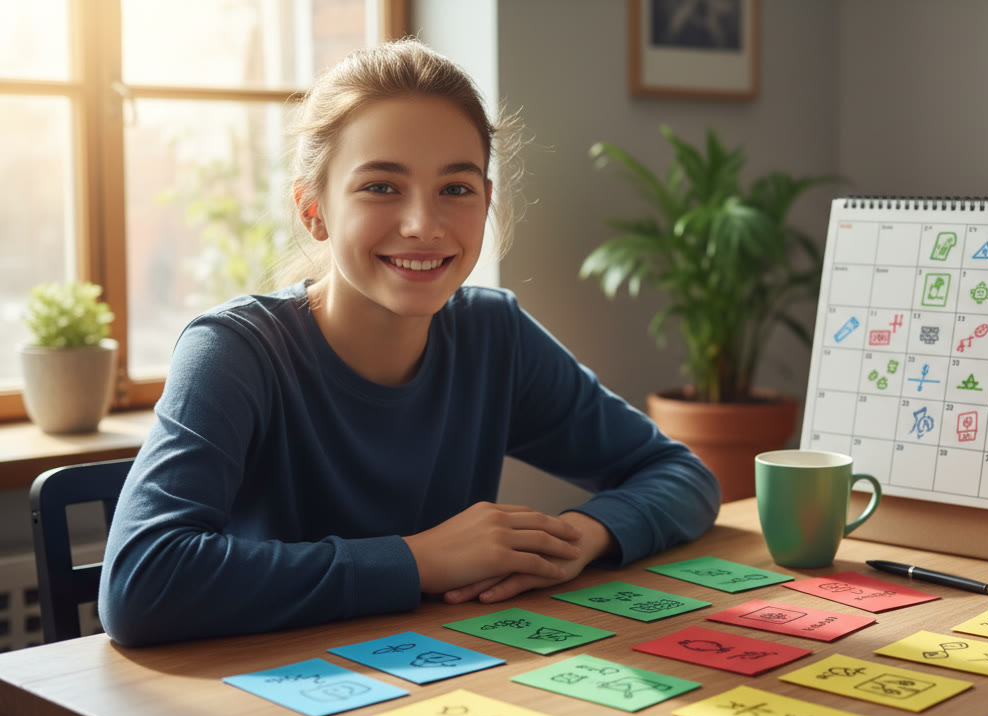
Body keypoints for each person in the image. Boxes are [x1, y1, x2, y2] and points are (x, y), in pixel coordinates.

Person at [98, 39, 720, 647]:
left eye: (456, 189)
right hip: (267, 710)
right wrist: (418, 561)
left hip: (444, 687)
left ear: (485, 203)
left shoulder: (492, 334)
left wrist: (580, 537)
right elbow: (141, 582)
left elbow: (680, 473)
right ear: (313, 209)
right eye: (381, 187)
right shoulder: (235, 352)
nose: (424, 225)